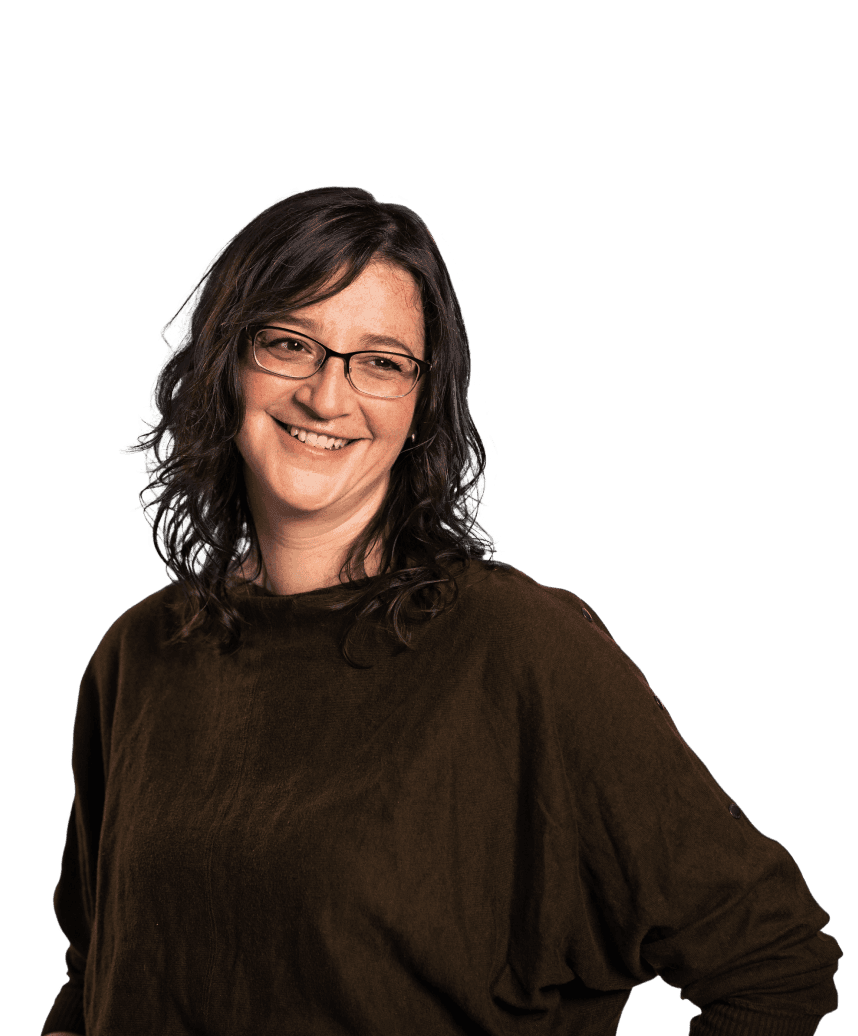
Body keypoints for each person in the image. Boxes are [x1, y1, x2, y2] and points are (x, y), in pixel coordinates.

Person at [42, 186, 842, 1036]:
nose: (327, 394)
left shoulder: (518, 649)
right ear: (226, 361)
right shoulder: (138, 656)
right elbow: (97, 972)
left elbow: (774, 964)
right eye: (289, 343)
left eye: (381, 361)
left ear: (423, 403)